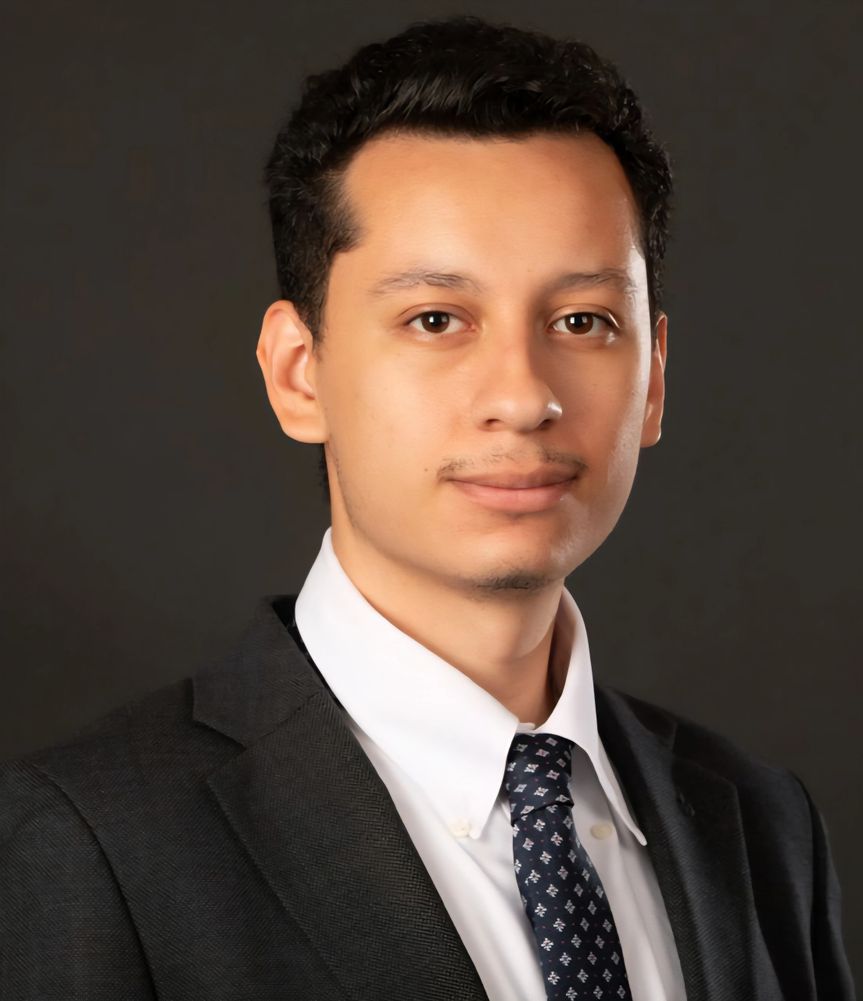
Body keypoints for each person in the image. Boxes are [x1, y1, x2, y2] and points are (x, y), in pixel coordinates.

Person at [0, 14, 853, 1001]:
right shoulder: (91, 843)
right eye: (435, 319)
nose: (522, 393)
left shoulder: (758, 822)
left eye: (582, 320)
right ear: (298, 373)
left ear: (652, 376)